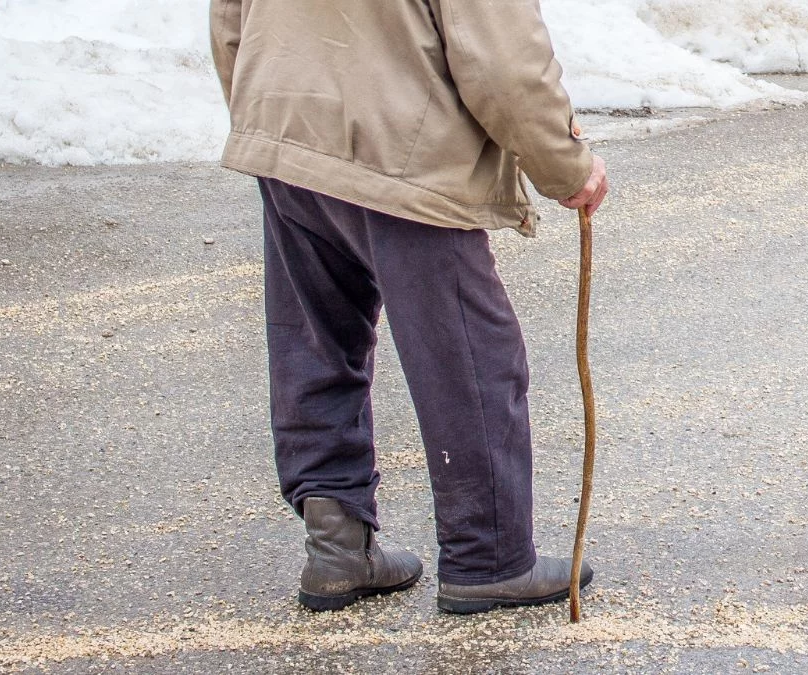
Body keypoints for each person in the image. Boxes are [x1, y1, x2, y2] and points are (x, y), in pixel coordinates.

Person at [209, 0, 608, 614]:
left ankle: (337, 547)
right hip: (401, 145)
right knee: (468, 353)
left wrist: (267, 114)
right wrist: (565, 165)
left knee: (317, 338)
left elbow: (231, 18)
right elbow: (502, 60)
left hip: (285, 123)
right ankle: (489, 558)